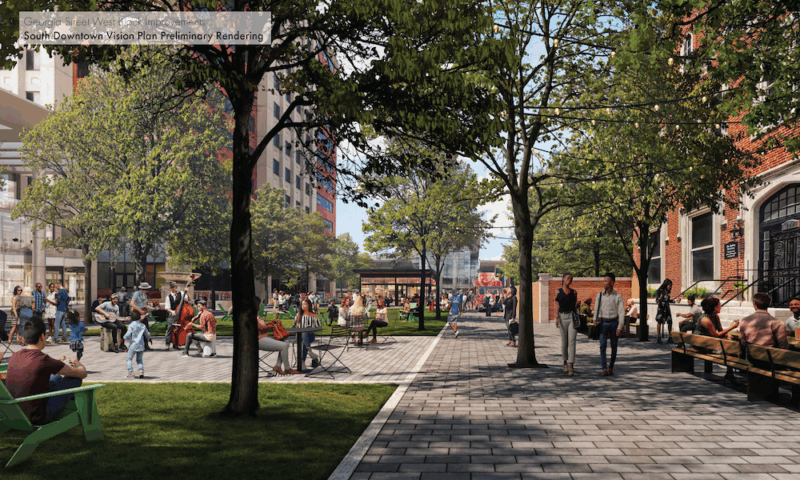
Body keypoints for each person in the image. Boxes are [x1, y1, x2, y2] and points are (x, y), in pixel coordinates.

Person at [4, 315, 87, 425]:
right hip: (37, 416)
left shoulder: (14, 356)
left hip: (15, 413)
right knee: (74, 379)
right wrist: (76, 362)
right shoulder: (43, 360)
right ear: (42, 337)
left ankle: (72, 408)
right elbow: (82, 373)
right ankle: (80, 413)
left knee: (55, 377)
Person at [694, 297, 740, 384]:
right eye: (719, 305)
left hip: (709, 342)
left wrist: (727, 336)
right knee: (730, 349)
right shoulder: (705, 320)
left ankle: (730, 373)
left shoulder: (715, 316)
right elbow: (715, 335)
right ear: (714, 307)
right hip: (700, 345)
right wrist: (731, 327)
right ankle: (730, 374)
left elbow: (720, 331)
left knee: (731, 346)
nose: (721, 307)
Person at [739, 292, 789, 366]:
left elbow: (743, 342)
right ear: (769, 303)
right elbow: (783, 345)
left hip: (752, 358)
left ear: (754, 304)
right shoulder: (778, 323)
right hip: (770, 360)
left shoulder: (745, 321)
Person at [593, 273, 624, 377]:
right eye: (604, 281)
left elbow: (622, 312)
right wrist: (594, 319)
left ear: (612, 283)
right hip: (603, 323)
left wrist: (620, 326)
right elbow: (596, 309)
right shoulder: (600, 296)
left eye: (607, 281)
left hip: (614, 322)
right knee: (602, 345)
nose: (604, 283)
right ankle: (604, 368)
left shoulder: (618, 296)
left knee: (614, 346)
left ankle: (611, 367)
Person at [555, 274, 578, 375]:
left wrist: (578, 305)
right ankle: (564, 363)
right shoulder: (558, 291)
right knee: (564, 341)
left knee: (572, 341)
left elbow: (575, 306)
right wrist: (556, 317)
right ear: (563, 279)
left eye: (571, 279)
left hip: (572, 317)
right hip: (562, 317)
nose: (570, 280)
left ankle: (571, 366)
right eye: (568, 278)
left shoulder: (574, 292)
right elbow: (557, 305)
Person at [123, 310, 152, 378]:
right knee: (139, 360)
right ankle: (141, 371)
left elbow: (128, 334)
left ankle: (130, 371)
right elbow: (147, 333)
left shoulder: (131, 325)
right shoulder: (142, 325)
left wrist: (124, 338)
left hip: (133, 345)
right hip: (141, 345)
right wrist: (149, 339)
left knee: (128, 359)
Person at [293, 299, 320, 367]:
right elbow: (296, 327)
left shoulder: (313, 314)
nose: (303, 306)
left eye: (305, 304)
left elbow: (317, 326)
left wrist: (311, 330)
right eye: (302, 304)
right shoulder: (299, 314)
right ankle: (309, 351)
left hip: (310, 335)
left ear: (309, 305)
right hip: (299, 336)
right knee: (304, 334)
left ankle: (301, 362)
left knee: (304, 341)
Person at [165, 280, 190, 349]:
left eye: (176, 286)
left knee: (179, 329)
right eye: (174, 287)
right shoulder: (168, 297)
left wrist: (187, 292)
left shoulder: (181, 293)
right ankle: (167, 344)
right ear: (171, 288)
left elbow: (188, 300)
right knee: (170, 328)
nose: (175, 288)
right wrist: (172, 311)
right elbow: (167, 307)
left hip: (180, 314)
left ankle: (176, 343)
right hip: (173, 314)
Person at [655, 279, 674, 344]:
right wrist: (659, 299)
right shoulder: (660, 291)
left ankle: (670, 337)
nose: (670, 287)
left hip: (667, 308)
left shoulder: (668, 292)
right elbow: (657, 300)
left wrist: (675, 301)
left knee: (670, 321)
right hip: (661, 308)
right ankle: (659, 337)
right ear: (666, 285)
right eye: (669, 285)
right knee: (659, 321)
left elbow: (668, 300)